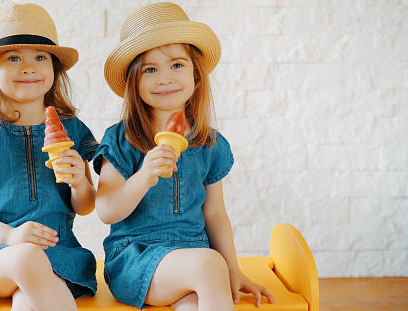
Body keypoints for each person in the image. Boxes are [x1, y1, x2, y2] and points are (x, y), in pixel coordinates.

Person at [93, 2, 275, 310]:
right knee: (208, 263)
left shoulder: (210, 143)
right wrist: (143, 176)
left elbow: (215, 213)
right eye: (150, 69)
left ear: (196, 76)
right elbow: (106, 211)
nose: (164, 78)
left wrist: (233, 269)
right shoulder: (121, 138)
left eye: (176, 65)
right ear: (134, 84)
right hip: (134, 259)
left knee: (196, 299)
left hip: (196, 260)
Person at [0, 3, 97, 310]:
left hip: (59, 253)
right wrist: (10, 235)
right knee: (26, 257)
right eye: (14, 58)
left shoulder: (73, 131)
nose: (29, 67)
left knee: (27, 299)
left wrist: (80, 183)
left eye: (40, 57)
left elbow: (86, 205)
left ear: (54, 67)